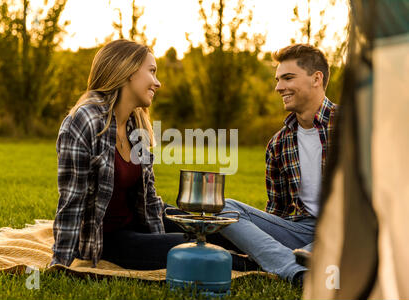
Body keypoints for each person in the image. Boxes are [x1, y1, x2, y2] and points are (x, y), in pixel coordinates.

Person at [50, 39, 252, 270]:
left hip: (141, 218)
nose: (158, 83)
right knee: (196, 248)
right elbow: (72, 200)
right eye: (152, 71)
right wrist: (60, 264)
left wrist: (161, 233)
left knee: (216, 230)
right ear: (128, 71)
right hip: (109, 238)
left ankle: (282, 255)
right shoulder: (84, 121)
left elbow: (148, 195)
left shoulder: (135, 122)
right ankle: (263, 270)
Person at [217, 44, 338, 285]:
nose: (278, 87)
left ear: (316, 78)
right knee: (223, 208)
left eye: (288, 78)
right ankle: (298, 271)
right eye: (277, 79)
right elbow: (277, 212)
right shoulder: (278, 143)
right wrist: (259, 240)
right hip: (303, 231)